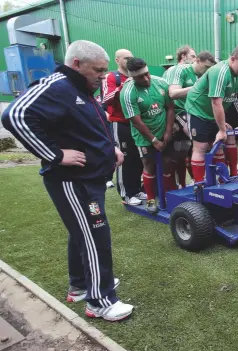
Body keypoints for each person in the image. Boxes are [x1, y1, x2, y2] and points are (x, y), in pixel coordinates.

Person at [1, 40, 134, 322]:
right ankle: (101, 301)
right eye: (98, 70)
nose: (102, 75)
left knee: (81, 233)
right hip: (74, 181)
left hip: (91, 178)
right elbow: (14, 115)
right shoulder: (57, 86)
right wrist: (55, 154)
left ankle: (80, 286)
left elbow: (90, 125)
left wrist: (111, 149)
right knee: (96, 237)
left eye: (105, 70)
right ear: (77, 64)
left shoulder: (81, 88)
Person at [185, 45, 238, 182]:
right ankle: (199, 185)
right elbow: (216, 102)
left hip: (213, 112)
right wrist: (222, 129)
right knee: (201, 147)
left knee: (218, 148)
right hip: (197, 110)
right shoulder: (220, 71)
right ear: (233, 59)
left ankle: (224, 180)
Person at [120, 58, 175, 213]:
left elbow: (170, 108)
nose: (145, 79)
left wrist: (168, 131)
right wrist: (153, 140)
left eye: (147, 74)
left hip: (164, 132)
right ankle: (151, 199)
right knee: (149, 165)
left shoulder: (161, 83)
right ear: (132, 77)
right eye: (140, 77)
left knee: (167, 163)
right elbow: (136, 121)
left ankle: (166, 196)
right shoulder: (128, 92)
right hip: (144, 137)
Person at [166, 51, 216, 187]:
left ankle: (199, 178)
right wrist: (197, 87)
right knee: (198, 140)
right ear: (198, 61)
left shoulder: (203, 75)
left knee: (209, 141)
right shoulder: (179, 69)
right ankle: (197, 180)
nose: (207, 71)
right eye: (206, 67)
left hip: (195, 111)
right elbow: (173, 93)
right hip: (178, 110)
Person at [102, 49, 146, 204]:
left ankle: (137, 190)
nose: (129, 60)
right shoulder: (111, 77)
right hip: (120, 123)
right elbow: (106, 98)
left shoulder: (137, 77)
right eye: (126, 58)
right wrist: (123, 87)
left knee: (138, 157)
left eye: (131, 58)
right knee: (125, 158)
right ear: (117, 60)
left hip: (137, 123)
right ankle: (126, 195)